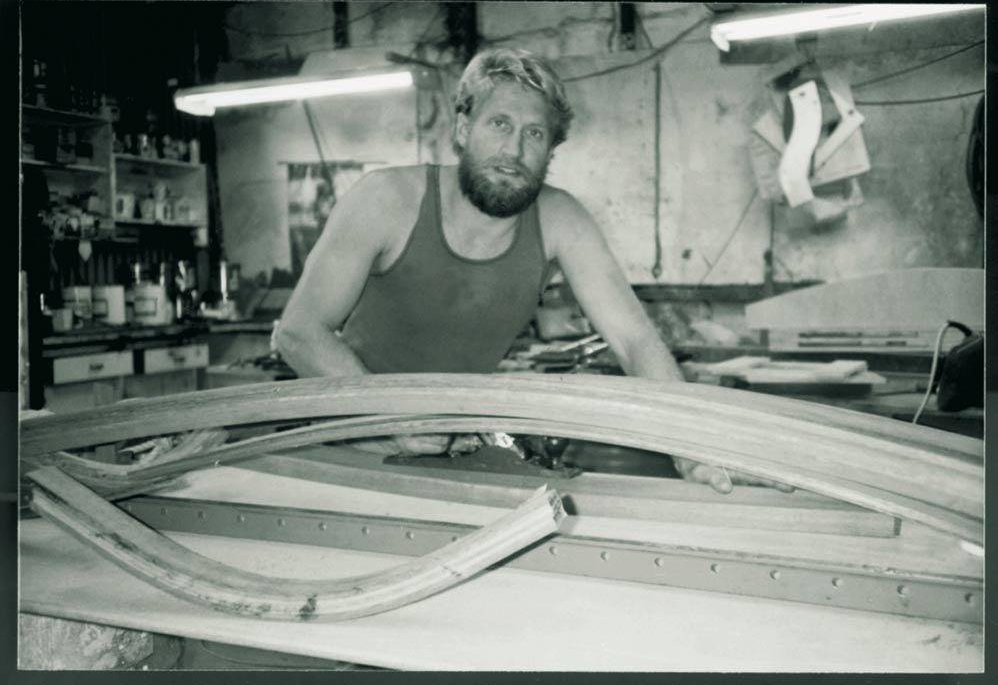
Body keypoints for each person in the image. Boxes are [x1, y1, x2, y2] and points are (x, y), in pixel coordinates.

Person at [276, 47, 791, 494]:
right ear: (462, 127)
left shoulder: (562, 218)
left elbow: (634, 340)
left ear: (550, 149)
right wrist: (389, 425)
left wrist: (692, 451)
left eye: (534, 134)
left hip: (446, 450)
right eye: (499, 125)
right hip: (346, 442)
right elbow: (299, 333)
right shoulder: (385, 199)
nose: (514, 151)